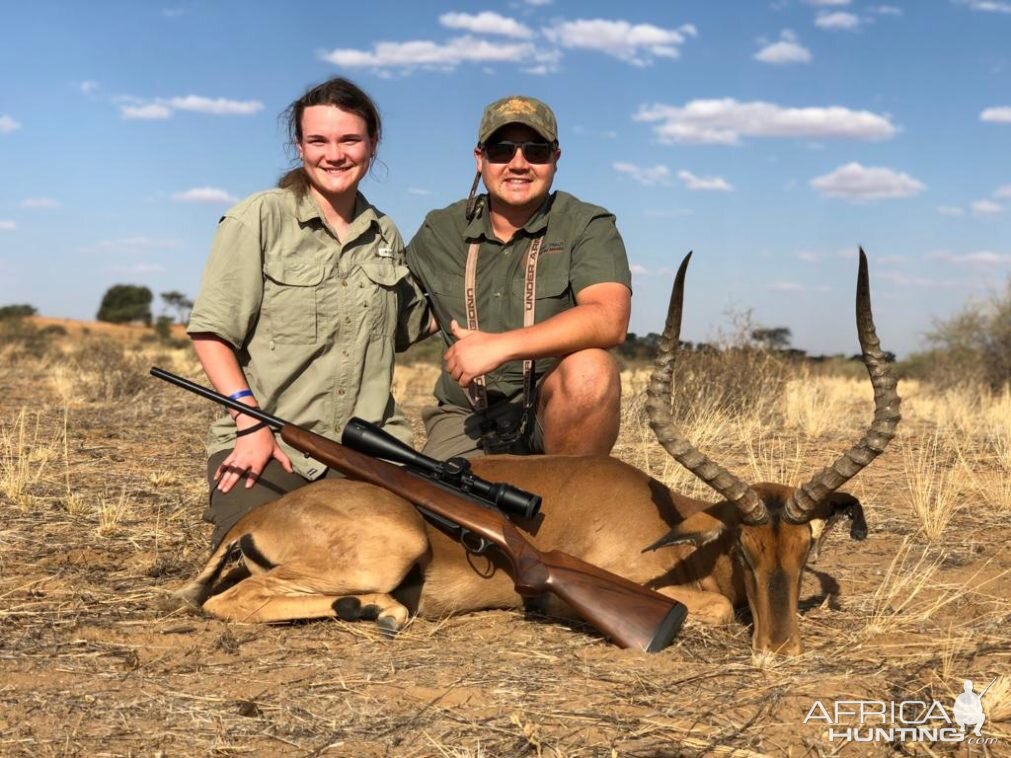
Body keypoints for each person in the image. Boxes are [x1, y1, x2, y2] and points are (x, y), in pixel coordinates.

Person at [186, 77, 427, 547]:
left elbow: (413, 324)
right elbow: (211, 334)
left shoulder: (386, 235)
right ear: (299, 146)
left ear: (372, 145)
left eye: (349, 140)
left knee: (391, 552)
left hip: (368, 451)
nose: (334, 154)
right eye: (318, 140)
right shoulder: (258, 217)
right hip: (269, 443)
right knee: (253, 553)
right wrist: (250, 425)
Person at [406, 95, 631, 459]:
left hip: (548, 413)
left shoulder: (586, 224)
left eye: (536, 151)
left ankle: (570, 502)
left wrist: (498, 346)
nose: (518, 164)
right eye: (502, 150)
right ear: (480, 159)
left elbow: (610, 319)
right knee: (439, 510)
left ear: (556, 159)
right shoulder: (439, 230)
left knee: (592, 370)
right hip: (467, 418)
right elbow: (390, 316)